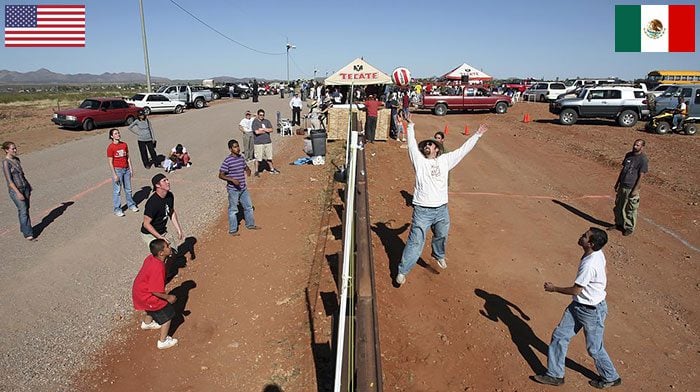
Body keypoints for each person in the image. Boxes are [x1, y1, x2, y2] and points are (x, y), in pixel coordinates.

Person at [395, 122, 487, 286]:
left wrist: (477, 135)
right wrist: (410, 127)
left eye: (430, 144)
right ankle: (402, 271)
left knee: (442, 234)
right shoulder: (420, 162)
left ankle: (438, 255)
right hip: (422, 211)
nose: (427, 147)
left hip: (442, 209)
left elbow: (463, 151)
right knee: (415, 243)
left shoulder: (445, 160)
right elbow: (411, 145)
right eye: (425, 145)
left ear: (437, 149)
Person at [533, 228, 622, 389]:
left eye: (585, 236)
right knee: (559, 336)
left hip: (591, 311)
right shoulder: (597, 253)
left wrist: (554, 289)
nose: (581, 236)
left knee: (594, 349)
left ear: (591, 244)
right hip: (579, 306)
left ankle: (611, 377)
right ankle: (555, 375)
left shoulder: (589, 265)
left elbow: (576, 290)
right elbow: (605, 271)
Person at [132, 238, 179, 350]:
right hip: (147, 295)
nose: (170, 246)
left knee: (152, 308)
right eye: (167, 246)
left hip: (139, 292)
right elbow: (155, 291)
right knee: (167, 314)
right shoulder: (158, 267)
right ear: (161, 253)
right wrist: (168, 297)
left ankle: (147, 323)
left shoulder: (151, 258)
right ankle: (163, 341)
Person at [219, 139, 260, 236]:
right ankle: (233, 230)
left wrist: (248, 170)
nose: (237, 148)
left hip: (243, 188)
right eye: (235, 147)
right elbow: (221, 175)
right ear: (230, 149)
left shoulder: (241, 158)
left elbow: (245, 167)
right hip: (233, 190)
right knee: (233, 210)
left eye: (238, 146)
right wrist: (232, 180)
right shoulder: (227, 161)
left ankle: (250, 224)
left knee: (249, 207)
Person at [612, 139, 648, 236]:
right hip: (623, 185)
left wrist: (635, 189)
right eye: (634, 145)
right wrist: (617, 183)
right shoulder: (628, 155)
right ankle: (618, 223)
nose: (635, 146)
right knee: (619, 206)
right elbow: (623, 170)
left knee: (629, 209)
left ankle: (629, 227)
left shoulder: (643, 159)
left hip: (631, 187)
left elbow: (641, 176)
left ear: (642, 147)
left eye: (637, 145)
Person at [141, 173, 184, 251]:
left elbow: (171, 212)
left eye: (167, 180)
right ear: (157, 185)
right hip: (149, 234)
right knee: (161, 254)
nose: (168, 182)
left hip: (162, 231)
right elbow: (146, 224)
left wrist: (178, 229)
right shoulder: (152, 203)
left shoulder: (169, 196)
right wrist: (160, 238)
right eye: (164, 181)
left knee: (173, 251)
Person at [2, 141, 34, 240]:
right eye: (13, 149)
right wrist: (18, 193)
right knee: (23, 210)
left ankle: (24, 228)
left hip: (25, 187)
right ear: (7, 150)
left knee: (26, 209)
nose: (15, 150)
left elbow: (22, 175)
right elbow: (9, 181)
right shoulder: (5, 163)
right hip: (16, 190)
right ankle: (28, 234)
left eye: (15, 148)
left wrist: (28, 185)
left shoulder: (17, 160)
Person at [107, 129, 138, 217]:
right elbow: (110, 161)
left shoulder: (124, 145)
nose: (118, 135)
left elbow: (128, 157)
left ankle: (131, 205)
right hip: (117, 170)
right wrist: (114, 174)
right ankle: (117, 209)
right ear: (112, 136)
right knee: (117, 191)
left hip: (126, 169)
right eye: (115, 134)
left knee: (128, 189)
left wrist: (131, 168)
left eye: (118, 133)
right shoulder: (111, 147)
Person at [251, 109, 280, 176]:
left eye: (263, 115)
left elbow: (271, 129)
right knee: (258, 158)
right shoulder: (255, 122)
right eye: (260, 115)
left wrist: (262, 129)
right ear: (258, 115)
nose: (262, 116)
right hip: (258, 143)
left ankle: (272, 169)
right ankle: (256, 171)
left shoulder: (267, 121)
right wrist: (266, 130)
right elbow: (256, 132)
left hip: (267, 142)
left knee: (269, 157)